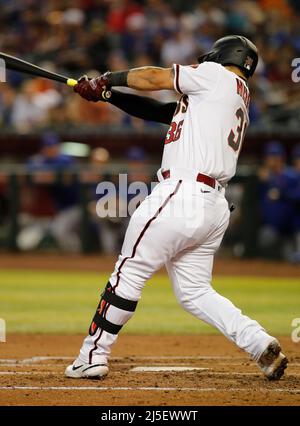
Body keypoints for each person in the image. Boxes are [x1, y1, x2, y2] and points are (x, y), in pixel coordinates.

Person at [66, 35, 288, 380]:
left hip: (181, 192)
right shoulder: (232, 95)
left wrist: (107, 78)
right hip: (213, 206)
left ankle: (92, 354)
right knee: (195, 291)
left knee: (130, 271)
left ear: (220, 55)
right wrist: (107, 95)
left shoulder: (215, 75)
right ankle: (259, 342)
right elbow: (160, 111)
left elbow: (156, 77)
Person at [258, 141, 299, 261]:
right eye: (270, 156)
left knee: (292, 261)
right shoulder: (262, 178)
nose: (273, 160)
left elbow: (296, 196)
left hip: (291, 229)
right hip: (272, 230)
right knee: (265, 238)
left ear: (282, 158)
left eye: (276, 156)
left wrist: (273, 183)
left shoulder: (291, 175)